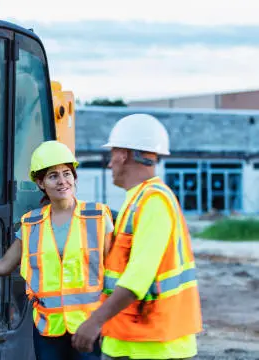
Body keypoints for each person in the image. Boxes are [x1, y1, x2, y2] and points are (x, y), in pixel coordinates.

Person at [0, 140, 115, 360]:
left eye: (67, 173)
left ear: (74, 177)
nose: (62, 181)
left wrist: (110, 321)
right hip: (48, 331)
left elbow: (113, 273)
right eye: (53, 176)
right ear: (40, 183)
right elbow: (4, 265)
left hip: (89, 328)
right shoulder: (31, 224)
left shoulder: (97, 216)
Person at [71, 114, 203, 360]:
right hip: (133, 341)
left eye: (112, 156)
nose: (110, 165)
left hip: (154, 346)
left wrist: (94, 322)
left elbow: (137, 280)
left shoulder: (153, 202)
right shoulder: (137, 200)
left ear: (123, 154)